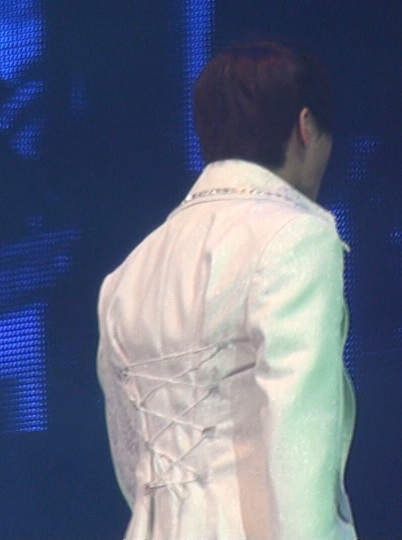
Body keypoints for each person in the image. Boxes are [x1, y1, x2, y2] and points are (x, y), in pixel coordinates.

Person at [96, 41, 357, 540]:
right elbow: (298, 437)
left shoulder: (127, 274)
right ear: (306, 127)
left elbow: (133, 462)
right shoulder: (295, 237)